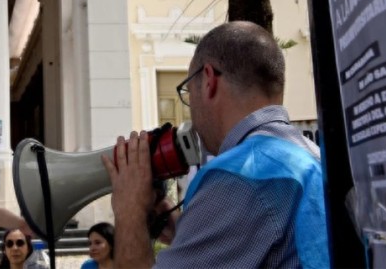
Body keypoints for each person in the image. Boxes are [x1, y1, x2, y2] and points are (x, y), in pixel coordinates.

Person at [102, 21, 330, 268]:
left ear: (209, 80)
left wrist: (130, 211)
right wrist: (187, 232)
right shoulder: (313, 156)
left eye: (189, 92)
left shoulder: (238, 176)